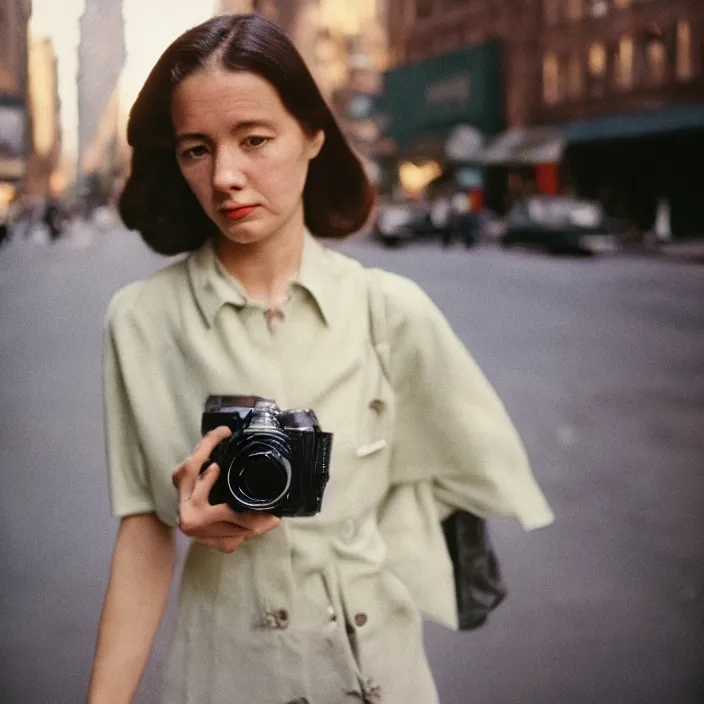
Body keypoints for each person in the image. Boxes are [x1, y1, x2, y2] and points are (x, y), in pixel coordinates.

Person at [88, 14, 553, 704]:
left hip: (379, 671)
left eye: (253, 139)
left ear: (312, 135)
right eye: (196, 150)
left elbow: (449, 479)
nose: (226, 177)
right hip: (226, 671)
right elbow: (144, 533)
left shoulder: (389, 311)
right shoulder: (140, 320)